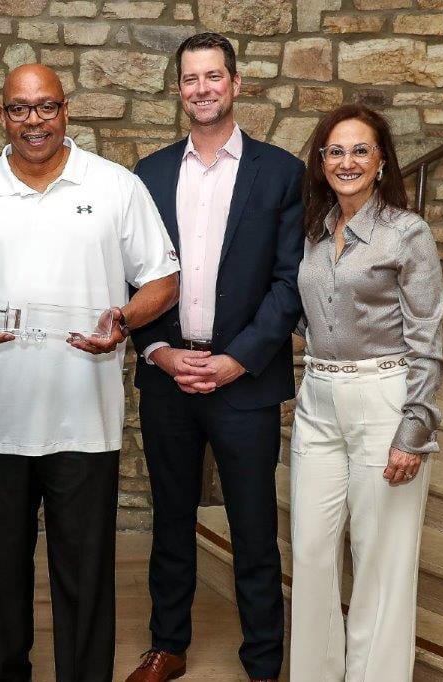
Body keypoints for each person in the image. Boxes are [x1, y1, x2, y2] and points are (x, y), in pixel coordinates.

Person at [0, 64, 180, 682]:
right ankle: (8, 672)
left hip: (84, 419)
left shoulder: (115, 186)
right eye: (20, 108)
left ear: (66, 111)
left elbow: (163, 281)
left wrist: (121, 320)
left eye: (45, 107)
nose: (33, 120)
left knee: (85, 569)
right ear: (2, 115)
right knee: (3, 569)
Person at [125, 33, 305, 682]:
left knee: (253, 529)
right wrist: (157, 349)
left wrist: (237, 361)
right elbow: (132, 279)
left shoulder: (281, 172)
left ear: (235, 83)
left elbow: (290, 283)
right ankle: (166, 644)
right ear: (178, 89)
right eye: (190, 79)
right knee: (170, 519)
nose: (202, 88)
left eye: (213, 77)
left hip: (243, 383)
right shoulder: (147, 175)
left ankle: (263, 663)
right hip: (170, 378)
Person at [290, 103, 443, 682]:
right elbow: (313, 315)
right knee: (309, 552)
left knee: (381, 564)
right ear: (321, 162)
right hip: (318, 401)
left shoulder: (408, 233)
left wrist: (414, 429)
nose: (346, 161)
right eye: (335, 150)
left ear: (381, 162)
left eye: (360, 150)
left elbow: (428, 340)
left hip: (385, 400)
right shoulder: (314, 230)